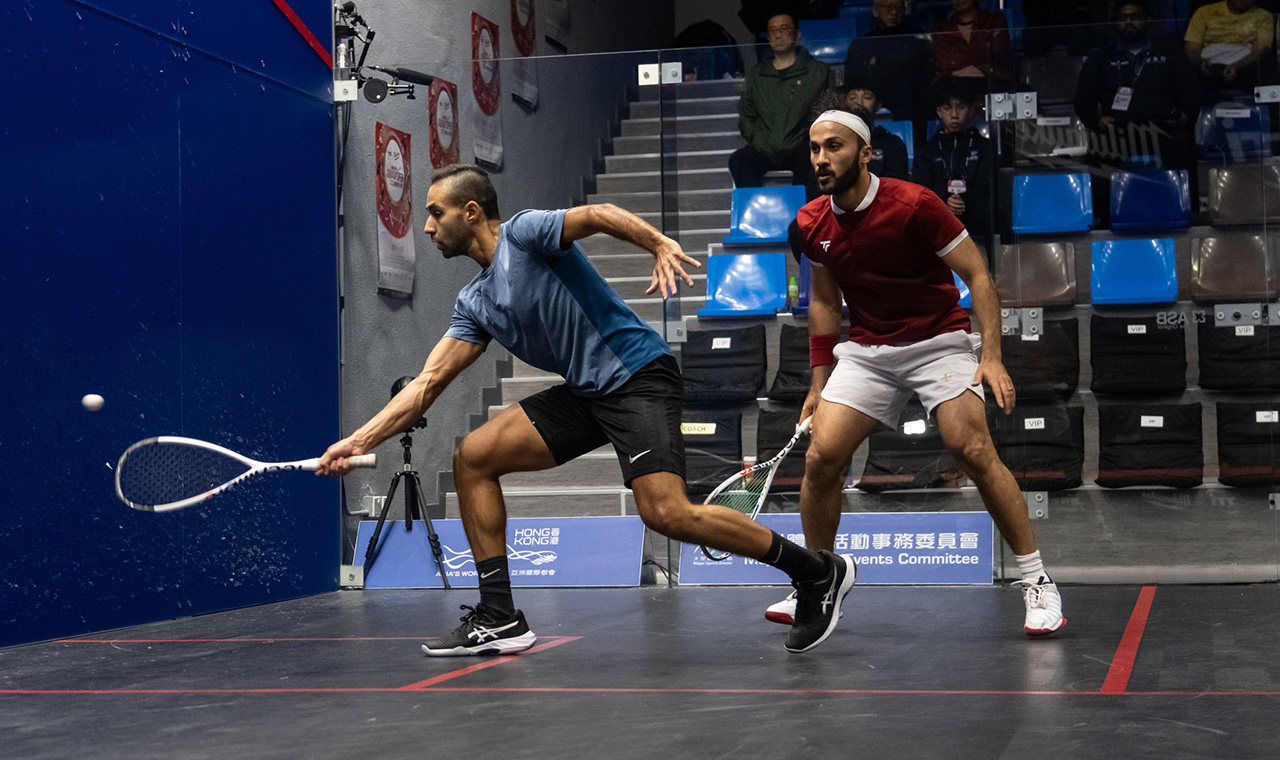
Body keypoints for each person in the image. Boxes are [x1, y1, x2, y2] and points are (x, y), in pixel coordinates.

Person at [317, 164, 855, 656]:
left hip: (637, 375)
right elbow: (427, 383)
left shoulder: (524, 234)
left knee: (666, 514)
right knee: (473, 458)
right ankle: (499, 616)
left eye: (436, 212)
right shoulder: (475, 302)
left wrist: (657, 243)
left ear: (472, 211)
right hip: (587, 392)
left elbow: (597, 214)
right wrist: (358, 442)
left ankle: (815, 573)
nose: (428, 226)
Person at [768, 107, 1066, 637]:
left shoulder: (916, 205)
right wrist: (818, 383)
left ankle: (1037, 579)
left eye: (834, 146)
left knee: (970, 447)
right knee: (821, 457)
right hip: (868, 351)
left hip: (938, 342)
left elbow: (978, 274)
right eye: (814, 148)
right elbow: (825, 302)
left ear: (865, 153)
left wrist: (991, 356)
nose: (821, 158)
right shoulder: (812, 222)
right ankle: (817, 582)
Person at [730, 12, 831, 192]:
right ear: (768, 38)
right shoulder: (756, 75)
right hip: (764, 147)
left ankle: (802, 205)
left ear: (797, 35)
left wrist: (806, 138)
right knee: (739, 159)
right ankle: (756, 206)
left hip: (799, 147)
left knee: (809, 154)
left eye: (784, 29)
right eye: (773, 30)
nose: (778, 35)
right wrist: (759, 140)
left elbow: (827, 113)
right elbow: (746, 117)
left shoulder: (817, 72)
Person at [913, 77, 993, 242]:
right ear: (939, 112)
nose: (954, 115)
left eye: (960, 107)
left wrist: (962, 199)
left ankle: (993, 258)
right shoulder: (927, 149)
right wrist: (946, 200)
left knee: (988, 210)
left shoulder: (983, 146)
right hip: (939, 212)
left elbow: (986, 185)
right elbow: (922, 188)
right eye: (947, 108)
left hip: (973, 210)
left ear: (970, 110)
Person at [843, 0, 933, 128]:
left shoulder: (915, 35)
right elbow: (853, 75)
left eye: (899, 7)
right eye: (888, 7)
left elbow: (917, 65)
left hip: (907, 98)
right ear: (876, 10)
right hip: (873, 94)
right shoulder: (862, 42)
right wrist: (896, 62)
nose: (894, 12)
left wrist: (877, 61)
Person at [1184, 0, 1274, 101]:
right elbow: (1192, 48)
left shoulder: (1263, 16)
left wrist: (1238, 65)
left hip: (1245, 69)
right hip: (1209, 69)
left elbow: (1261, 50)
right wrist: (1201, 62)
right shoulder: (1205, 12)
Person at [930, 0, 1012, 102]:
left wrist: (980, 69)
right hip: (955, 91)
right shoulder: (942, 30)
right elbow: (945, 63)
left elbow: (998, 53)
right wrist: (979, 63)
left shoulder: (995, 20)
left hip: (993, 86)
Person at [839, 76, 911, 181]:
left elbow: (895, 185)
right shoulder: (834, 142)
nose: (859, 103)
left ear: (878, 105)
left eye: (867, 97)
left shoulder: (892, 144)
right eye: (852, 98)